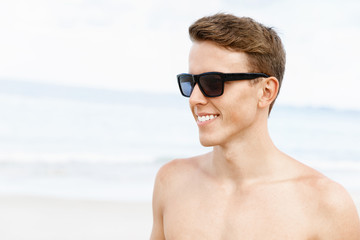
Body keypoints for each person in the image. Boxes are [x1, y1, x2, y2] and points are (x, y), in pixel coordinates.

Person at [150, 13, 360, 239]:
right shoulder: (171, 182)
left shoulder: (325, 204)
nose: (194, 99)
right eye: (190, 83)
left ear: (266, 91)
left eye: (213, 83)